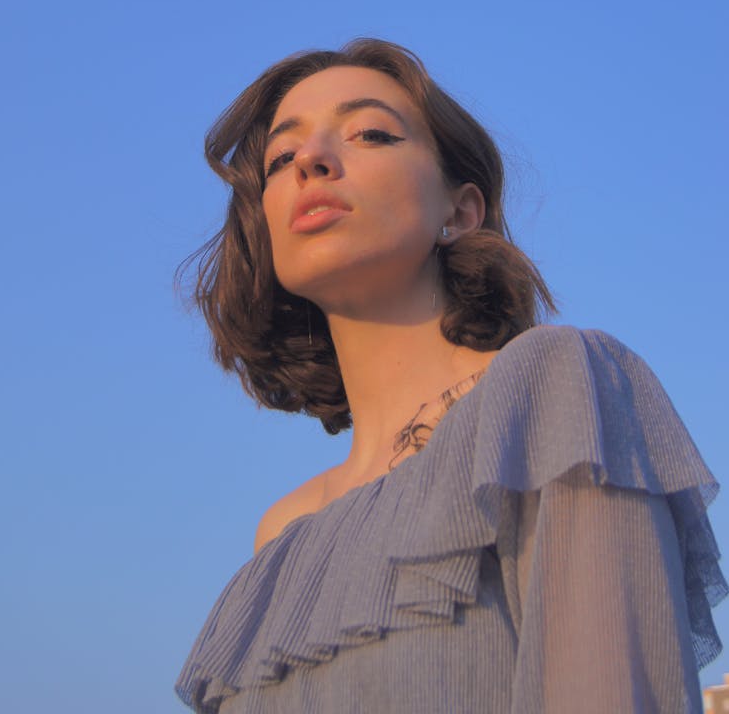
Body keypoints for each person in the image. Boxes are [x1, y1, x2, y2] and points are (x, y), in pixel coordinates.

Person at [175, 39, 725, 713]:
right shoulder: (281, 532)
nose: (309, 163)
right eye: (280, 159)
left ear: (459, 211)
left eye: (370, 133)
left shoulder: (552, 387)